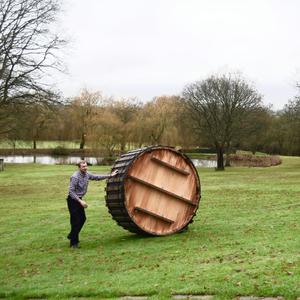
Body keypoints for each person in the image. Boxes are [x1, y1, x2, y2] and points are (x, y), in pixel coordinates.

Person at [67, 160, 118, 248]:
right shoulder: (75, 177)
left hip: (79, 199)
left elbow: (96, 177)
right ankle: (73, 243)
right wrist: (80, 201)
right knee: (75, 221)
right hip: (73, 200)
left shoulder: (87, 174)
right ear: (79, 168)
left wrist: (110, 175)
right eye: (83, 167)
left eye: (86, 166)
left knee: (82, 218)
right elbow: (71, 192)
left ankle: (72, 234)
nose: (85, 168)